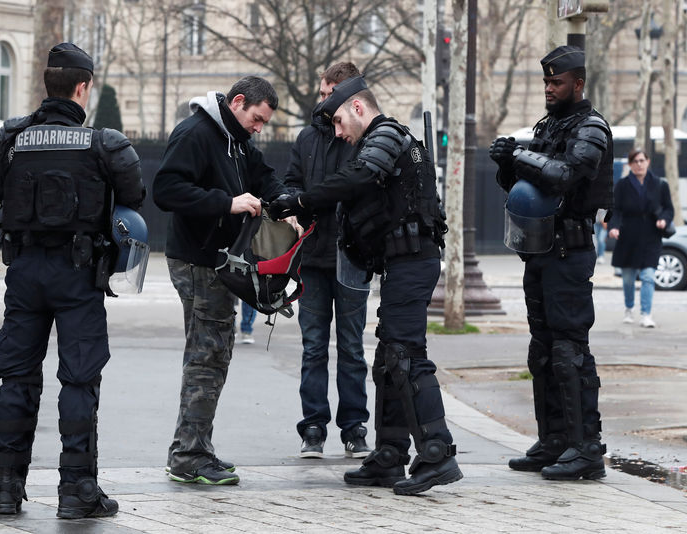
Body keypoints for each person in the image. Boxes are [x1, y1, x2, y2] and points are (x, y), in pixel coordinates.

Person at [269, 76, 461, 495]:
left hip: (414, 261)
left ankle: (437, 453)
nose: (337, 133)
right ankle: (389, 455)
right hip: (399, 263)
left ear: (359, 108)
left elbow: (357, 177)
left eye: (339, 121)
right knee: (389, 359)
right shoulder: (379, 138)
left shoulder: (387, 133)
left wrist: (301, 201)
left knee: (406, 356)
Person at [0, 43, 145, 518]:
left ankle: (6, 488)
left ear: (46, 85)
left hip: (25, 271)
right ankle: (77, 492)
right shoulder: (105, 143)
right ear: (83, 87)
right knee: (79, 380)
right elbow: (134, 198)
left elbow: (0, 194)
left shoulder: (9, 139)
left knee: (16, 376)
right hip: (79, 275)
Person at [153, 76, 287, 486]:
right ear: (238, 102)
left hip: (215, 261)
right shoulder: (196, 133)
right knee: (207, 355)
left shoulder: (236, 138)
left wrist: (288, 207)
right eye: (257, 119)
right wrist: (226, 203)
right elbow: (166, 189)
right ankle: (189, 455)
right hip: (196, 260)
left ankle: (194, 449)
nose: (259, 128)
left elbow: (263, 177)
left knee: (213, 353)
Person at [489, 45, 613, 481]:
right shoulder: (550, 126)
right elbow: (527, 184)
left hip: (571, 254)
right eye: (545, 81)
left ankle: (587, 448)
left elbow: (564, 175)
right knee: (542, 350)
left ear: (578, 82)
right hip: (540, 252)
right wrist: (506, 162)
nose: (548, 88)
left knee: (569, 350)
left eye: (555, 81)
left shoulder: (592, 128)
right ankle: (554, 440)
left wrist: (519, 156)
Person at [282, 62, 371, 460]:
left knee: (352, 347)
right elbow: (290, 182)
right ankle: (314, 427)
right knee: (313, 346)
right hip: (314, 256)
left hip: (352, 254)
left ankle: (354, 427)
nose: (322, 100)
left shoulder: (363, 135)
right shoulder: (306, 138)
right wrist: (295, 209)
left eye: (328, 93)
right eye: (321, 93)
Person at [608, 148, 673, 328]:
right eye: (635, 161)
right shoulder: (621, 185)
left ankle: (646, 314)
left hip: (651, 237)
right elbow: (616, 210)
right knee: (628, 279)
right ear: (630, 165)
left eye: (642, 160)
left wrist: (664, 220)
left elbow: (669, 209)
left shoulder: (660, 184)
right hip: (628, 237)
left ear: (648, 162)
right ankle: (629, 308)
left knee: (648, 277)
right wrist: (613, 227)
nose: (639, 164)